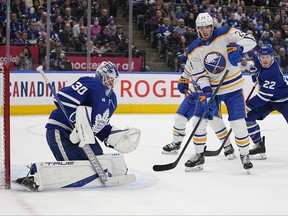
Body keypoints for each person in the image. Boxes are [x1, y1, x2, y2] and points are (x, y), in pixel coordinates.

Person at [14, 61, 141, 191]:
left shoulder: (112, 100)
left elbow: (98, 125)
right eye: (109, 78)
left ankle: (115, 170)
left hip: (84, 136)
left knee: (99, 161)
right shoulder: (92, 83)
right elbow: (63, 98)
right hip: (62, 130)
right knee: (76, 166)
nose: (111, 81)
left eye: (113, 79)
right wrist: (76, 120)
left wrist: (112, 135)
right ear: (101, 76)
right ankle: (36, 176)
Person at [178, 12, 257, 172]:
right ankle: (199, 155)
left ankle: (244, 154)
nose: (205, 30)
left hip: (233, 88)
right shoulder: (194, 49)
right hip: (211, 90)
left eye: (207, 26)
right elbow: (199, 74)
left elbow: (251, 40)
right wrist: (206, 92)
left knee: (238, 123)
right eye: (201, 27)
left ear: (211, 26)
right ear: (197, 28)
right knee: (198, 121)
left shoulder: (226, 33)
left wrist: (239, 47)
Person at [162, 63, 236, 160]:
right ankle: (176, 143)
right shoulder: (192, 57)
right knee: (179, 117)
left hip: (208, 96)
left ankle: (227, 146)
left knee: (214, 121)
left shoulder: (209, 56)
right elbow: (187, 72)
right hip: (195, 94)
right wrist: (183, 80)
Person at [246, 44, 288, 160]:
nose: (265, 59)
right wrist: (254, 74)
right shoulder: (258, 61)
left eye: (268, 57)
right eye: (263, 57)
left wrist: (247, 106)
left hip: (285, 100)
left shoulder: (272, 72)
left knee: (247, 111)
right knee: (248, 118)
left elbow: (263, 97)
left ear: (273, 57)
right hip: (270, 100)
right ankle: (259, 145)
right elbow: (257, 78)